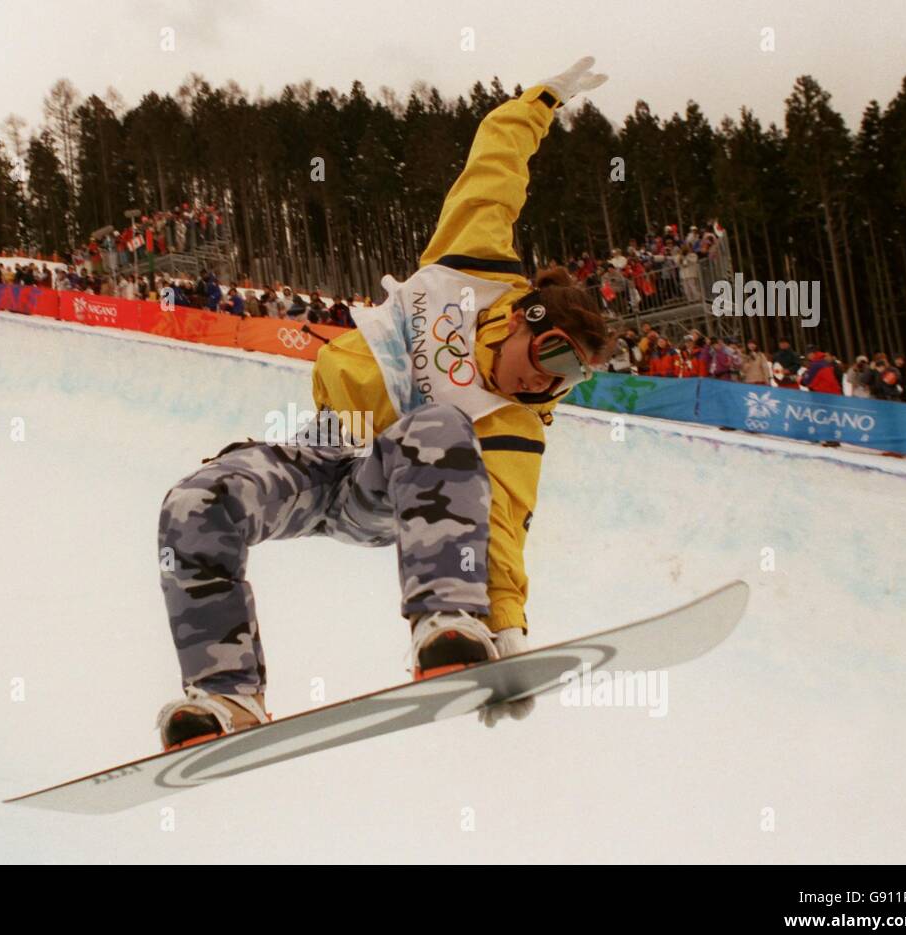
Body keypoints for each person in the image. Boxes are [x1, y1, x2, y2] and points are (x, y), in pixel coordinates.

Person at [154, 58, 613, 748]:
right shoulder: (476, 266)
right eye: (552, 357)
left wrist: (507, 636)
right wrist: (541, 102)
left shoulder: (515, 425)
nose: (548, 384)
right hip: (323, 453)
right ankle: (228, 692)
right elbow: (495, 165)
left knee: (441, 425)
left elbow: (506, 525)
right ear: (527, 317)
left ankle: (445, 623)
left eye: (570, 379)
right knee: (197, 501)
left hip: (391, 491)